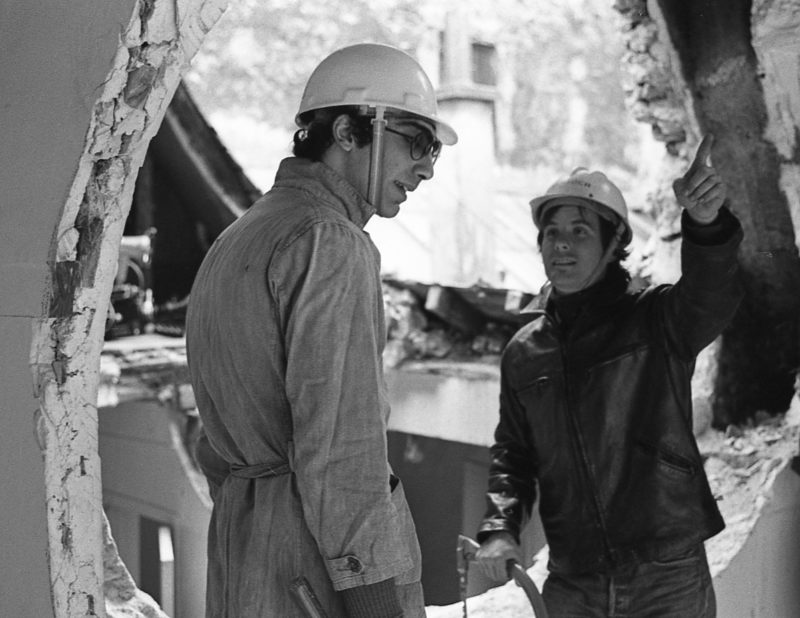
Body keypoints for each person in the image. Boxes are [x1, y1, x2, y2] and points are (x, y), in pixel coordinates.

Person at [186, 43, 457, 617]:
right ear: (349, 131)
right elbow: (342, 450)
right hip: (312, 580)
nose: (427, 166)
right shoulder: (331, 243)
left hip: (247, 557)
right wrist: (376, 603)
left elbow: (212, 444)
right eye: (418, 140)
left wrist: (263, 524)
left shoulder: (240, 237)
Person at [474, 135, 743, 617]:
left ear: (615, 242)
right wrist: (499, 529)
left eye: (580, 231)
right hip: (574, 582)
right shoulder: (525, 352)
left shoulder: (657, 321)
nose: (560, 243)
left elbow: (712, 295)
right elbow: (512, 454)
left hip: (668, 575)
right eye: (551, 231)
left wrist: (706, 227)